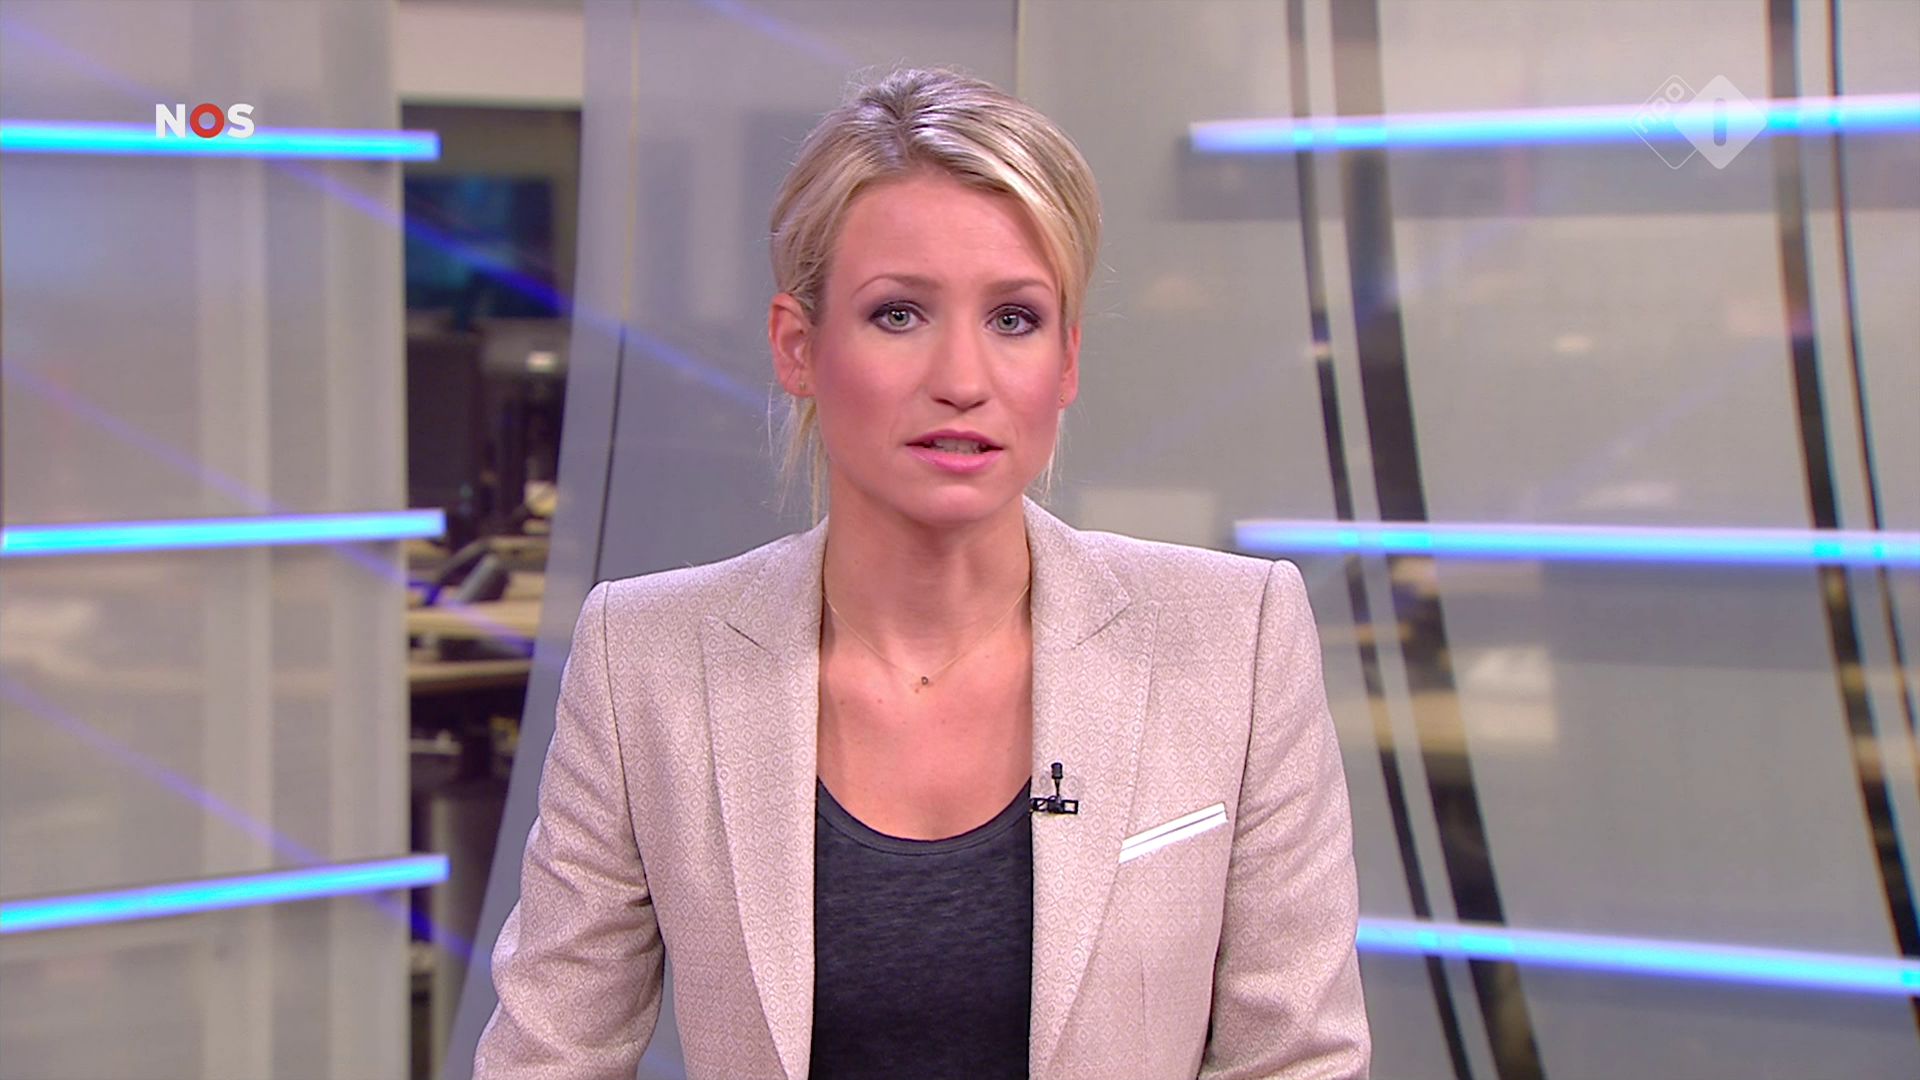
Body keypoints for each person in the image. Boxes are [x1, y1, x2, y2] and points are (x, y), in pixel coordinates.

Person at [474, 67, 1369, 1080]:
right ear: (798, 347)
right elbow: (547, 1058)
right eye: (899, 314)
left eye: (1014, 319)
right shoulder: (645, 661)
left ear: (1067, 361)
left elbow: (1300, 1061)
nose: (962, 379)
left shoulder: (1236, 640)